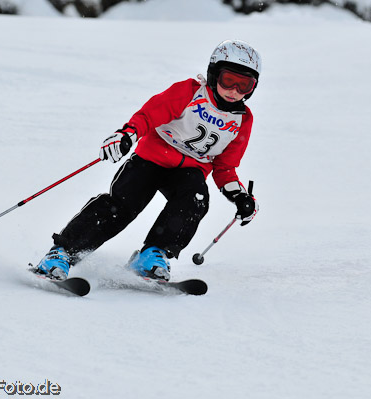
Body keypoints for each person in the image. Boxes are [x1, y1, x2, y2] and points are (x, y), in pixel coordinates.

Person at [34, 39, 261, 281]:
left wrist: (239, 196)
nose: (235, 90)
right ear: (214, 73)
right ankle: (63, 253)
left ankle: (153, 254)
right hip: (151, 159)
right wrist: (127, 134)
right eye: (229, 80)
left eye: (244, 85)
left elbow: (225, 166)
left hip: (190, 170)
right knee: (121, 205)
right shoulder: (190, 92)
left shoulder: (242, 120)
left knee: (195, 199)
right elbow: (150, 115)